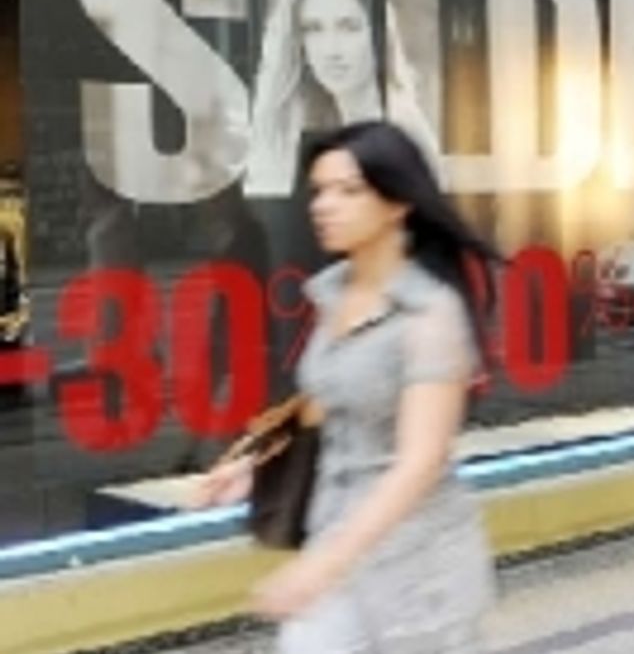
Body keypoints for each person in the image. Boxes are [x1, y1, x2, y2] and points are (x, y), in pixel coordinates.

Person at [197, 121, 501, 652]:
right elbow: (325, 404)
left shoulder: (430, 313)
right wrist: (253, 462)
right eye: (319, 191)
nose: (323, 206)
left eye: (348, 191)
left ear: (397, 203)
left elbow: (421, 461)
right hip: (334, 545)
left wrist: (322, 566)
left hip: (418, 571)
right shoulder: (332, 294)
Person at [246, 0, 439, 197]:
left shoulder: (397, 124)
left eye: (349, 27)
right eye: (313, 29)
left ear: (379, 34)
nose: (331, 50)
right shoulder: (319, 117)